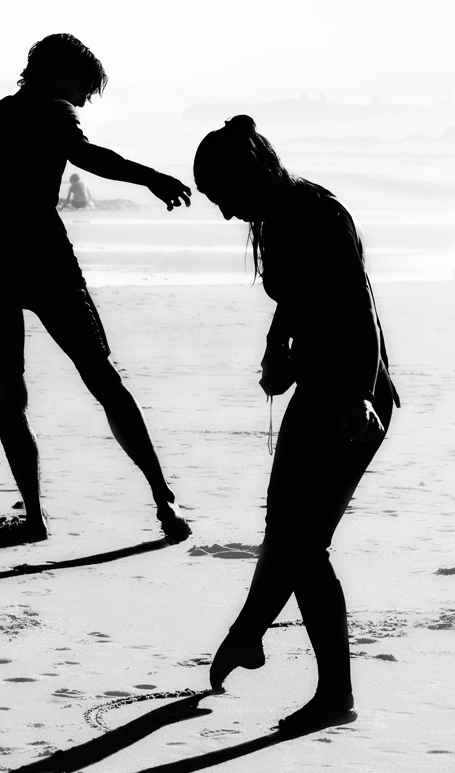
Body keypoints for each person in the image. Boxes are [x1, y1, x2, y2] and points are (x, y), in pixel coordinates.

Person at [193, 115, 399, 734]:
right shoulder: (273, 219)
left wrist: (359, 394)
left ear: (255, 173)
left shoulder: (318, 214)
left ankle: (332, 692)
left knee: (305, 544)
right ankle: (248, 636)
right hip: (317, 390)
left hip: (353, 397)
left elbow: (360, 308)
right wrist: (276, 347)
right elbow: (294, 298)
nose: (226, 212)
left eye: (225, 195)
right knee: (284, 529)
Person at [0, 33, 192, 545]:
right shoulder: (53, 111)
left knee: (10, 396)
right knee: (103, 380)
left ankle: (35, 519)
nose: (84, 101)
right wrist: (151, 178)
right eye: (84, 88)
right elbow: (86, 155)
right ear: (59, 74)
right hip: (46, 264)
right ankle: (164, 501)